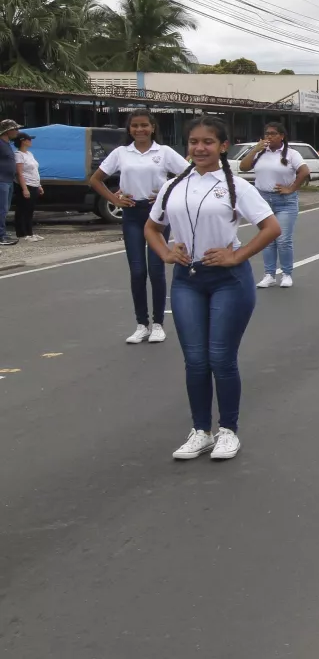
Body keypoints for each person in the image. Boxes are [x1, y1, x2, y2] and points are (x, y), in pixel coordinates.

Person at [145, 115, 281, 461]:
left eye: (207, 142)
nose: (199, 148)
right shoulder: (174, 185)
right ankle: (200, 431)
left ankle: (228, 431)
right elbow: (151, 227)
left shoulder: (236, 186)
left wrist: (237, 256)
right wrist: (165, 252)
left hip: (228, 282)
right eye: (193, 142)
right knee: (195, 359)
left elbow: (270, 227)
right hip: (188, 281)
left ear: (222, 147)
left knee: (220, 357)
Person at [89, 110, 192, 343]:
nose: (139, 130)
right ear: (129, 129)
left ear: (153, 127)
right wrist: (114, 199)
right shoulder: (121, 153)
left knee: (156, 270)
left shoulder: (164, 152)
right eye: (134, 126)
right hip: (132, 213)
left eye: (144, 125)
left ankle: (157, 324)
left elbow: (188, 175)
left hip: (156, 215)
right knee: (137, 271)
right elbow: (95, 179)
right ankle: (141, 324)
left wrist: (167, 194)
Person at [239, 122, 308, 289]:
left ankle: (286, 274)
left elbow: (304, 172)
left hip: (285, 202)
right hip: (263, 200)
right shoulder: (260, 153)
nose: (268, 136)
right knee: (268, 239)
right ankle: (269, 275)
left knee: (283, 240)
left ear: (281, 136)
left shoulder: (292, 154)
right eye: (266, 133)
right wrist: (255, 149)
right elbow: (243, 166)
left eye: (272, 133)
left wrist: (291, 188)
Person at [12, 132, 42, 242]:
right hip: (26, 185)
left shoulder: (29, 154)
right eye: (29, 139)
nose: (30, 141)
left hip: (34, 184)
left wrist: (39, 185)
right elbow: (19, 173)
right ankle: (22, 233)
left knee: (30, 210)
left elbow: (34, 170)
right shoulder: (18, 155)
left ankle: (30, 232)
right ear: (23, 141)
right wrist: (24, 188)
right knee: (22, 210)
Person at [0, 120, 18, 247]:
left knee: (5, 210)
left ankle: (3, 234)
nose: (17, 132)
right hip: (2, 181)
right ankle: (1, 236)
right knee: (1, 210)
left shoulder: (8, 144)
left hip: (9, 180)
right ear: (8, 130)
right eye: (15, 129)